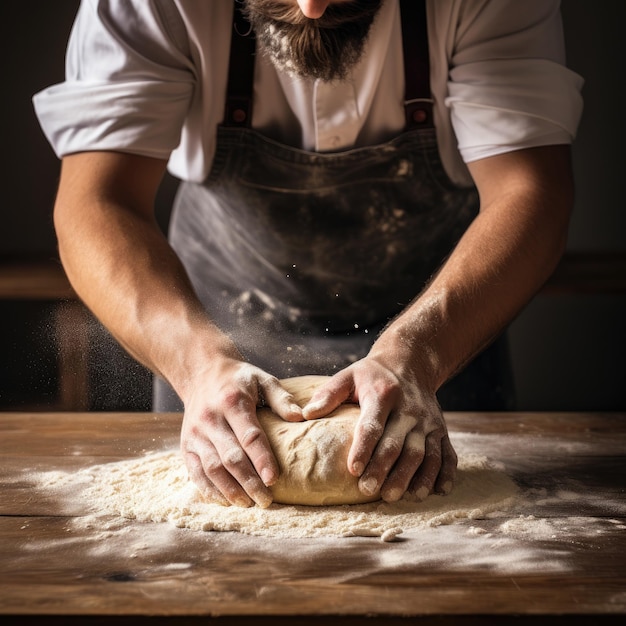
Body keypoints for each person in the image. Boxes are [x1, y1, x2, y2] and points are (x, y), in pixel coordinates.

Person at [33, 0, 583, 509]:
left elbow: (530, 193)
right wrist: (197, 363)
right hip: (217, 340)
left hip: (443, 341)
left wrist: (421, 352)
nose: (313, 5)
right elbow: (98, 203)